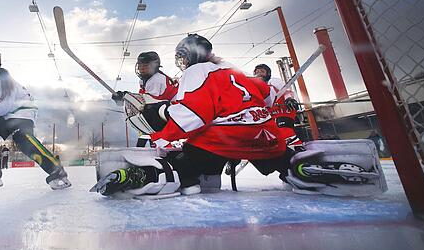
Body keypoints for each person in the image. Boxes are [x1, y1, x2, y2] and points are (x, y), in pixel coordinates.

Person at [92, 34, 290, 196]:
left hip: (222, 140)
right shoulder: (235, 71)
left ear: (192, 55)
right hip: (266, 139)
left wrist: (160, 118)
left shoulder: (196, 71)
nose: (183, 62)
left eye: (183, 57)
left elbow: (191, 114)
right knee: (284, 160)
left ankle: (157, 176)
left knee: (181, 159)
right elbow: (266, 93)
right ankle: (300, 169)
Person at [0, 46, 70, 190]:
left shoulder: (2, 78)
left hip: (22, 111)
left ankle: (56, 169)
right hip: (7, 114)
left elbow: (1, 108)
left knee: (22, 138)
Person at [113, 51, 179, 147]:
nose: (142, 69)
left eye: (146, 66)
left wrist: (126, 97)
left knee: (149, 113)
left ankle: (164, 146)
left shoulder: (156, 80)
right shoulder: (146, 81)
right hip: (169, 113)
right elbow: (141, 100)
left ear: (154, 66)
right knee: (148, 114)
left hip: (174, 113)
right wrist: (125, 99)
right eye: (140, 65)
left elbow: (148, 102)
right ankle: (158, 145)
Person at [253, 64, 303, 150]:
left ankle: (298, 149)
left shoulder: (272, 81)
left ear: (268, 74)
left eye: (262, 72)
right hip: (270, 114)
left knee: (284, 131)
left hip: (282, 110)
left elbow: (285, 90)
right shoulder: (255, 87)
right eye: (257, 72)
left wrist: (289, 98)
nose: (259, 74)